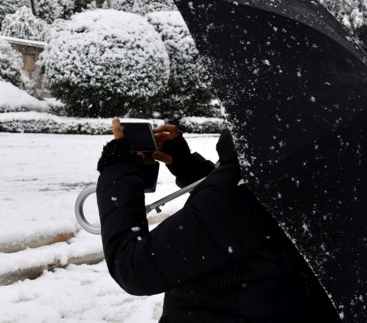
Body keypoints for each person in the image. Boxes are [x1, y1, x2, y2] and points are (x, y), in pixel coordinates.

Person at [96, 119, 340, 323]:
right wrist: (187, 165)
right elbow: (230, 225)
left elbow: (135, 267)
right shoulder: (315, 177)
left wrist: (117, 170)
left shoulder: (246, 190)